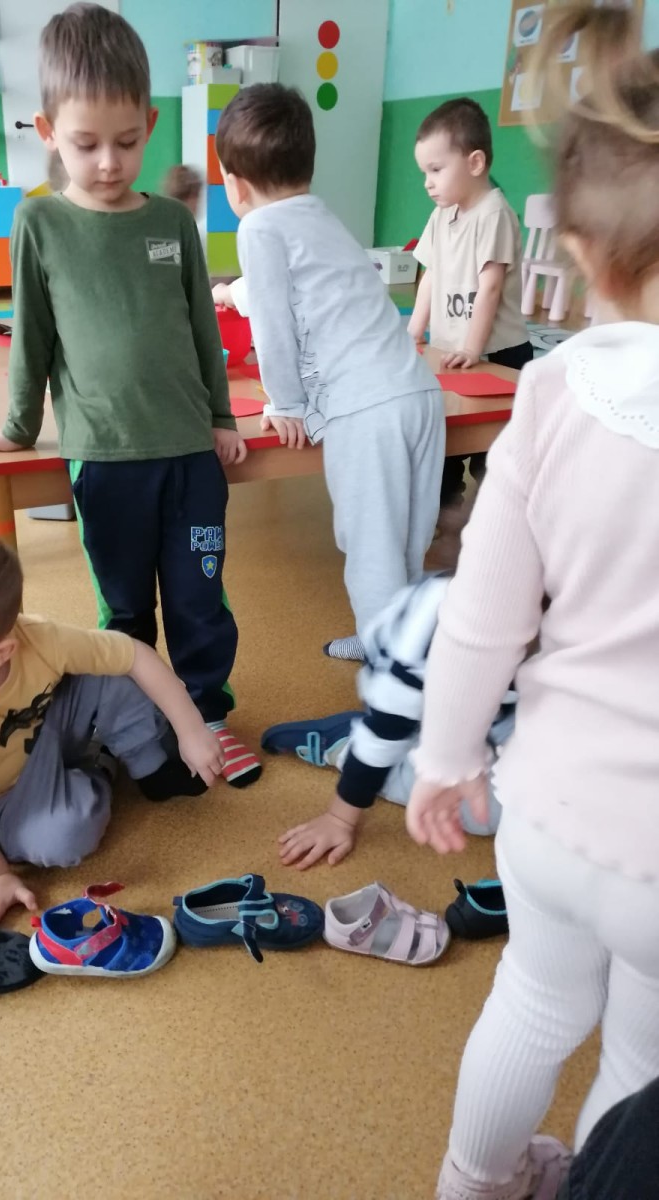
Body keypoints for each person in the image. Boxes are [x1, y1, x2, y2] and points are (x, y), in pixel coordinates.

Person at [404, 8, 659, 1198]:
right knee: (642, 1058)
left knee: (533, 1000)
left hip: (549, 809)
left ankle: (472, 1183)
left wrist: (446, 757)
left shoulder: (555, 392)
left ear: (585, 255)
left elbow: (483, 615)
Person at [0, 4, 260, 787]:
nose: (107, 162)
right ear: (47, 131)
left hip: (189, 454)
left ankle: (208, 714)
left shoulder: (172, 225)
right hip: (105, 459)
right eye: (86, 143)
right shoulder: (40, 223)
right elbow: (32, 337)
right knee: (125, 611)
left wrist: (222, 416)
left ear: (150, 125)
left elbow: (202, 330)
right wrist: (18, 426)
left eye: (127, 142)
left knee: (199, 600)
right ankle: (136, 723)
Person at [0, 525, 226, 928]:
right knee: (66, 837)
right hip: (3, 799)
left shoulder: (38, 640)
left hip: (44, 731)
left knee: (112, 674)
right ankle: (101, 763)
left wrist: (192, 731)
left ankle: (151, 766)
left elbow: (133, 654)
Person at [215, 84, 444, 663]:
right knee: (407, 539)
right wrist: (234, 293)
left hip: (366, 410)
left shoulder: (257, 228)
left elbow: (274, 324)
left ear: (234, 184)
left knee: (371, 543)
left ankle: (389, 667)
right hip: (418, 393)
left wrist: (286, 404)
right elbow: (308, 292)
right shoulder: (321, 216)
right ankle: (403, 639)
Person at [264, 505, 506, 870]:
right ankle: (345, 744)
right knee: (489, 812)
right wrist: (339, 819)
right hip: (414, 706)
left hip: (502, 711)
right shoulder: (429, 633)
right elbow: (385, 729)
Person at [408, 98, 533, 509]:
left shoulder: (493, 213)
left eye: (436, 170)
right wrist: (414, 331)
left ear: (475, 163)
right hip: (451, 352)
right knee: (445, 436)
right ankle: (448, 515)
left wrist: (472, 349)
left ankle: (496, 519)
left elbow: (490, 288)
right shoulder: (442, 215)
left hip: (497, 353)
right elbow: (430, 275)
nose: (427, 183)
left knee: (490, 452)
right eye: (424, 172)